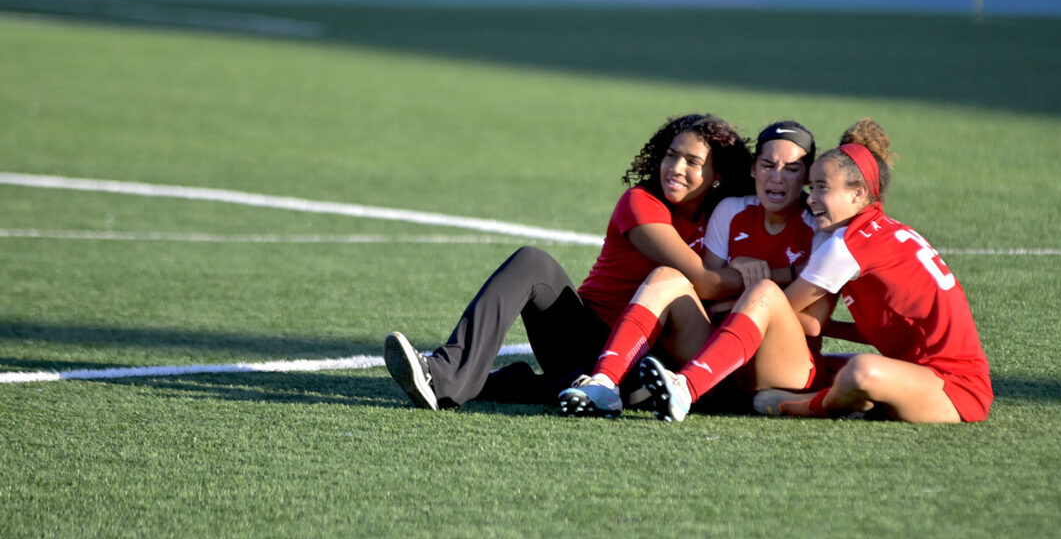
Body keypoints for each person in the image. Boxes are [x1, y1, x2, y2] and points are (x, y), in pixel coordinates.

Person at [384, 113, 754, 410]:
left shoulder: (727, 217)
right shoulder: (640, 203)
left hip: (652, 357)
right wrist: (758, 276)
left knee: (639, 390)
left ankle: (523, 383)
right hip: (583, 337)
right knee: (533, 263)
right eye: (671, 155)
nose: (675, 167)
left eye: (692, 161)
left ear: (717, 174)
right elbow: (703, 282)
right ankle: (442, 375)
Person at [638, 118, 993, 424]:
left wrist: (718, 307)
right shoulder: (880, 230)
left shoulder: (844, 245)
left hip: (954, 389)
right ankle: (851, 401)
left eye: (821, 188)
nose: (810, 198)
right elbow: (888, 324)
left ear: (857, 194)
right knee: (832, 368)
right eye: (812, 187)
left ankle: (786, 403)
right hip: (918, 368)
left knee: (859, 371)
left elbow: (778, 309)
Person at [557, 120, 821, 417]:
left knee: (765, 293)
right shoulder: (729, 212)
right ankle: (604, 383)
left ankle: (685, 388)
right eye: (767, 165)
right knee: (667, 276)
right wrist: (748, 286)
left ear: (808, 176)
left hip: (778, 366)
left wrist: (755, 294)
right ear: (753, 168)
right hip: (718, 361)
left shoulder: (820, 228)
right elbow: (704, 289)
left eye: (792, 169)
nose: (777, 177)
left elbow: (813, 324)